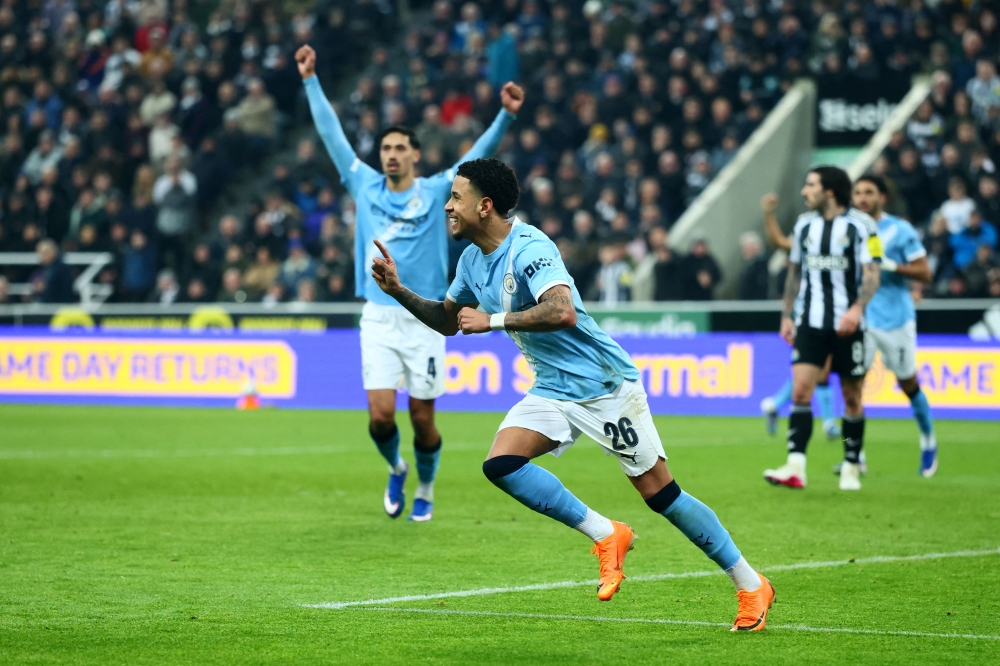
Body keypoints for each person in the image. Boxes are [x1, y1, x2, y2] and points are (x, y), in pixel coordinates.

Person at [371, 157, 775, 631]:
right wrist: (398, 290)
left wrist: (494, 320)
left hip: (603, 385)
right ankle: (607, 533)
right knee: (502, 464)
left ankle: (750, 584)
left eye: (456, 198)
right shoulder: (471, 261)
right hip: (553, 388)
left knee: (660, 493)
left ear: (484, 206)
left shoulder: (530, 246)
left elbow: (561, 311)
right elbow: (447, 320)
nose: (448, 207)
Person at [296, 44, 524, 522]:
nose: (392, 155)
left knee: (423, 418)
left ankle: (426, 484)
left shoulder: (438, 189)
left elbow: (478, 157)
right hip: (378, 316)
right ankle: (396, 467)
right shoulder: (363, 184)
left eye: (401, 147)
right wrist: (311, 79)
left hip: (425, 316)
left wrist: (504, 116)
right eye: (386, 149)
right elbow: (331, 134)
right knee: (380, 417)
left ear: (415, 155)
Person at [764, 167, 881, 491]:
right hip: (810, 322)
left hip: (848, 325)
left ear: (829, 191)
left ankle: (851, 465)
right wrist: (787, 315)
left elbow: (872, 273)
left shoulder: (862, 226)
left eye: (811, 185)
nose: (804, 191)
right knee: (801, 391)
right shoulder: (804, 225)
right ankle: (795, 466)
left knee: (851, 397)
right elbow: (795, 272)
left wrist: (857, 309)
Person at [853, 176, 938, 476]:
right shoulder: (848, 230)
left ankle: (928, 440)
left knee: (908, 383)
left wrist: (892, 266)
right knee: (854, 387)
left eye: (869, 192)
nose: (862, 197)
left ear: (882, 197)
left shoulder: (900, 230)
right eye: (858, 192)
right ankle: (855, 456)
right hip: (860, 318)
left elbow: (925, 272)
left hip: (895, 320)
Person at [758, 192, 841, 441]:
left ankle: (775, 404)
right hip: (808, 313)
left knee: (813, 368)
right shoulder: (807, 238)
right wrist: (768, 213)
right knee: (819, 366)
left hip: (830, 311)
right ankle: (828, 423)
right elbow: (779, 242)